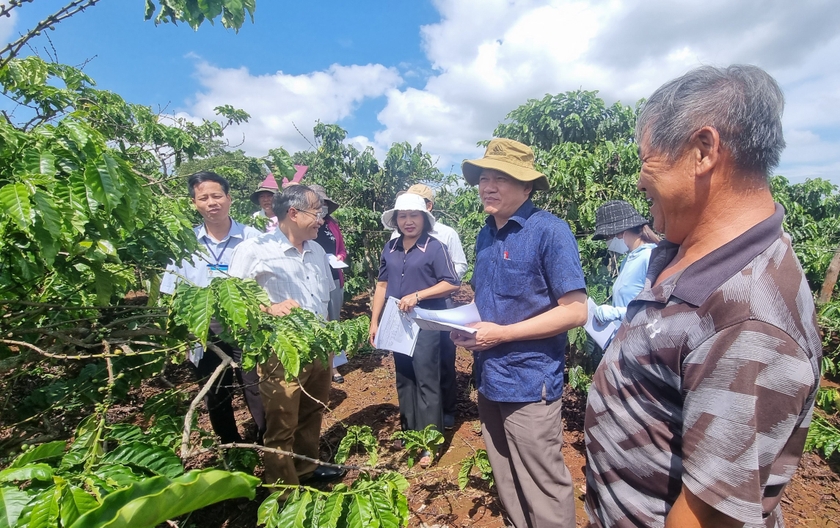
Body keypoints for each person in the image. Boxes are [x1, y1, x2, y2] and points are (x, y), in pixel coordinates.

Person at [584, 65, 822, 528]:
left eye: (645, 158)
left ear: (703, 150)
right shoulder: (682, 251)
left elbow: (711, 514)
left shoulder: (748, 314)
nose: (638, 179)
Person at [451, 138, 587, 528]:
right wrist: (462, 327)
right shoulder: (485, 235)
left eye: (501, 178)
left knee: (542, 483)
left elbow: (576, 310)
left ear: (527, 187)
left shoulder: (549, 232)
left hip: (529, 382)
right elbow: (488, 300)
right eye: (483, 178)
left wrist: (502, 334)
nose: (487, 186)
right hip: (489, 377)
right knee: (506, 476)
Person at [228, 185, 344, 485]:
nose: (322, 218)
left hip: (319, 348)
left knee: (312, 413)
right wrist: (268, 309)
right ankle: (283, 491)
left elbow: (325, 299)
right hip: (282, 353)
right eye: (316, 212)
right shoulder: (254, 250)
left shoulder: (318, 250)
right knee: (281, 423)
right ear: (293, 213)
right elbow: (234, 301)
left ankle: (305, 469)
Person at [160, 171, 266, 445]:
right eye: (203, 198)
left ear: (229, 199)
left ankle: (268, 442)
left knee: (256, 387)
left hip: (247, 327)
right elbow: (174, 291)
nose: (211, 202)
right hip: (204, 330)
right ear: (194, 203)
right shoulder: (184, 244)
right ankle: (230, 445)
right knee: (215, 391)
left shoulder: (254, 238)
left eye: (217, 196)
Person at [369, 193, 460, 467]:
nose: (408, 221)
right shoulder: (391, 247)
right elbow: (382, 285)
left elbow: (452, 282)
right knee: (405, 377)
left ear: (424, 218)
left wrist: (418, 295)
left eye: (414, 216)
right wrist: (374, 321)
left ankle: (430, 442)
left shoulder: (435, 247)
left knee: (426, 379)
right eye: (403, 216)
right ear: (396, 220)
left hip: (423, 322)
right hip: (396, 322)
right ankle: (410, 432)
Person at [397, 183, 468, 429]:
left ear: (428, 207)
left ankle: (447, 410)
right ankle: (419, 417)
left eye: (416, 208)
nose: (408, 217)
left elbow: (458, 267)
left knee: (443, 358)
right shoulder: (398, 236)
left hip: (440, 300)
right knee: (413, 362)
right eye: (403, 213)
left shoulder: (445, 234)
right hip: (407, 306)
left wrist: (435, 280)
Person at [591, 200, 660, 334]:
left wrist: (617, 313)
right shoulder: (628, 260)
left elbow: (657, 306)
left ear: (621, 232)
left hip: (642, 339)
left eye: (608, 236)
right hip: (624, 339)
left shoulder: (650, 256)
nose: (608, 242)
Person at [308, 184, 349, 384]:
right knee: (317, 321)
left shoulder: (332, 225)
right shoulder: (304, 228)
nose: (321, 208)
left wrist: (339, 257)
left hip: (333, 277)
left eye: (323, 204)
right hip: (313, 279)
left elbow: (341, 248)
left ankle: (334, 363)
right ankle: (324, 366)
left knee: (333, 321)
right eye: (317, 204)